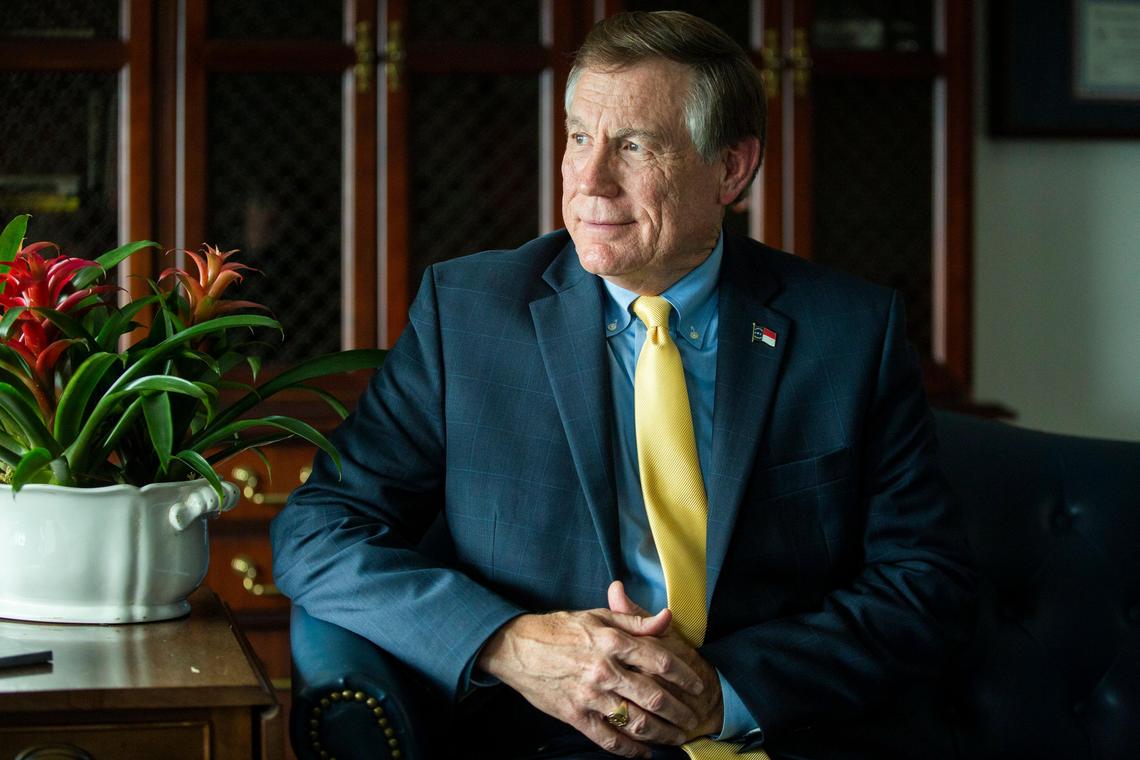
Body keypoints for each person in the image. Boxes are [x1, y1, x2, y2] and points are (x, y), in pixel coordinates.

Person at [271, 10, 975, 759]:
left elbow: (923, 580)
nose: (590, 181)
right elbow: (319, 529)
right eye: (580, 137)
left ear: (731, 168)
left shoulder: (848, 333)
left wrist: (723, 693)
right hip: (543, 737)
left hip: (768, 729)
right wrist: (509, 643)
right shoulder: (469, 313)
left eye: (634, 145)